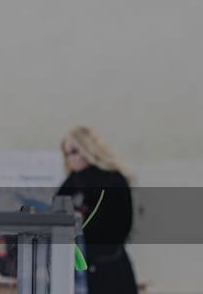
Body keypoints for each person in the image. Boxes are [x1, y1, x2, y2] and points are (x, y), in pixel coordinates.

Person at [57, 126, 137, 294]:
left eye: (74, 151)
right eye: (66, 153)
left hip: (108, 269)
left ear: (88, 149)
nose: (70, 158)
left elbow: (119, 227)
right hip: (80, 268)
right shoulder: (71, 184)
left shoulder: (112, 180)